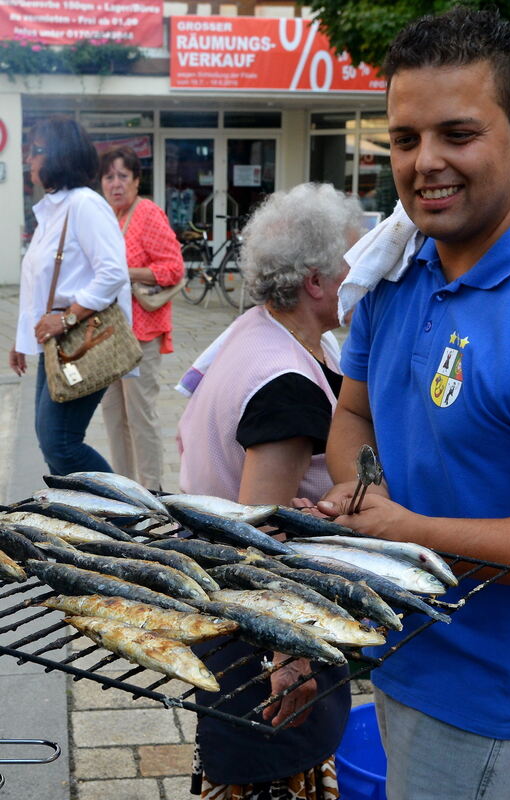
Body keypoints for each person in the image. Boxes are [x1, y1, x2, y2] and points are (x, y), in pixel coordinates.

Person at [313, 7, 510, 800]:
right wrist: (366, 494)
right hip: (401, 654)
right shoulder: (398, 263)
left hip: (494, 702)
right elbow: (352, 416)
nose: (424, 163)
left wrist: (408, 536)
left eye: (457, 134)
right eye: (403, 139)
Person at [176, 182, 364, 799]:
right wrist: (289, 657)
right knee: (269, 773)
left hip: (219, 597)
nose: (360, 278)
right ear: (315, 280)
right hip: (256, 632)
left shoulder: (259, 331)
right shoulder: (285, 384)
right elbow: (263, 537)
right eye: (351, 265)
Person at [9, 116, 131, 475]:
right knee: (51, 441)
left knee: (60, 442)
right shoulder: (53, 210)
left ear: (59, 155)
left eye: (36, 151)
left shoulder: (84, 205)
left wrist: (67, 317)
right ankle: (83, 512)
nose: (28, 160)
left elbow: (113, 272)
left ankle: (131, 510)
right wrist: (21, 340)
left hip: (81, 337)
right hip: (56, 342)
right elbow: (38, 286)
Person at [99, 146, 184, 491]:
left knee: (140, 416)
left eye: (123, 176)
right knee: (112, 415)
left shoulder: (146, 213)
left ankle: (152, 493)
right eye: (109, 176)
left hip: (140, 333)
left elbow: (173, 268)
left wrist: (125, 271)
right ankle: (124, 490)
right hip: (107, 335)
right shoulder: (106, 216)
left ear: (136, 180)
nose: (115, 183)